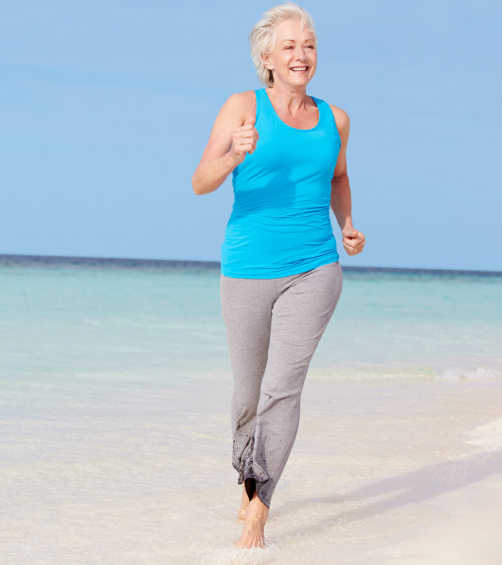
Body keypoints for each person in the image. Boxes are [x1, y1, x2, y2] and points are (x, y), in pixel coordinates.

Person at [191, 2, 366, 549]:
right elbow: (200, 181)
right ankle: (246, 483)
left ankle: (260, 512)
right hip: (245, 269)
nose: (301, 55)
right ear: (266, 57)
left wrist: (348, 225)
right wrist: (233, 157)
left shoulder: (335, 119)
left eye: (308, 45)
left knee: (282, 389)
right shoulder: (242, 108)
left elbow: (338, 178)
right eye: (289, 46)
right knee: (248, 396)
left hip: (315, 266)